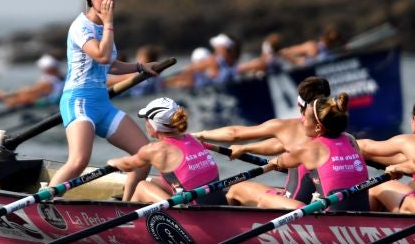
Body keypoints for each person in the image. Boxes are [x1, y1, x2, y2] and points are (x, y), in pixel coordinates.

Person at [47, 0, 161, 201]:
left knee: (144, 155)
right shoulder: (81, 27)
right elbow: (101, 56)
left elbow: (110, 65)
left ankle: (128, 206)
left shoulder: (105, 28)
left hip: (102, 104)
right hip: (78, 101)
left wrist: (140, 67)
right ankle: (45, 201)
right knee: (79, 161)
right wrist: (109, 23)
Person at [193, 76, 332, 208]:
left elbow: (234, 134)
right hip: (322, 202)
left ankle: (227, 225)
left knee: (237, 189)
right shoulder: (339, 133)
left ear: (298, 103)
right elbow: (280, 144)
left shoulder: (288, 127)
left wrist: (200, 134)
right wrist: (245, 148)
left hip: (294, 204)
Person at [258, 93, 370, 211]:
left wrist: (277, 161)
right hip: (363, 210)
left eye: (305, 117)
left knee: (265, 198)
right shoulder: (350, 139)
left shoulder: (309, 148)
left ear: (318, 127)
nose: (302, 120)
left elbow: (283, 161)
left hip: (331, 219)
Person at [107, 97, 226, 205]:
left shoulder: (154, 150)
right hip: (217, 199)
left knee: (142, 186)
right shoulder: (193, 138)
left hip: (195, 211)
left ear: (154, 125)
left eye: (146, 119)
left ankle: (130, 221)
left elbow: (127, 165)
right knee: (155, 182)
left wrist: (113, 162)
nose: (145, 123)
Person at [0, 55, 64, 107]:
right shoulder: (62, 77)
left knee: (26, 95)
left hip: (47, 101)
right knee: (27, 94)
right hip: (50, 100)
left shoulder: (47, 81)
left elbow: (30, 90)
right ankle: (7, 97)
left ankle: (6, 97)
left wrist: (8, 95)